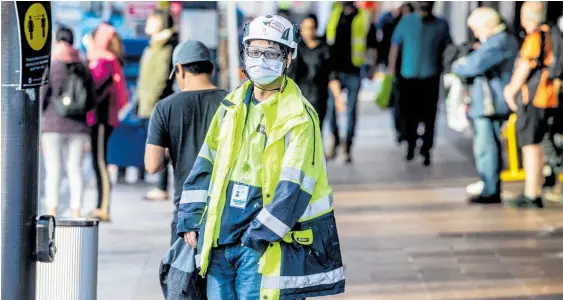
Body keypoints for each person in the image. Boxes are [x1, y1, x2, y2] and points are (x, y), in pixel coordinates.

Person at [177, 15, 345, 299]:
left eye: (271, 53)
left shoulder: (299, 117)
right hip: (219, 241)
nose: (261, 60)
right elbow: (205, 163)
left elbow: (295, 186)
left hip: (260, 246)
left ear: (288, 58)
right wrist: (191, 218)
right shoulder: (230, 106)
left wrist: (258, 236)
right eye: (254, 52)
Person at [145, 40, 227, 245]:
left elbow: (152, 165)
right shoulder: (232, 103)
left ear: (180, 70)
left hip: (187, 210)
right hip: (226, 209)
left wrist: (173, 152)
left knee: (182, 276)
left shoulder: (165, 108)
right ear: (211, 68)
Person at [452, 7, 519, 204]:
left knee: (486, 147)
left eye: (476, 28)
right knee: (487, 146)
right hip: (488, 101)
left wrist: (459, 64)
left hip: (490, 103)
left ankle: (490, 188)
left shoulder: (498, 42)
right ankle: (489, 184)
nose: (474, 33)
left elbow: (470, 66)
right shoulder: (499, 41)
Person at [503, 1, 561, 208]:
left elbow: (526, 66)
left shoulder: (536, 37)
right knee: (543, 142)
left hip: (535, 97)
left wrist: (511, 90)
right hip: (549, 97)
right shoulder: (553, 33)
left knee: (530, 144)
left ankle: (532, 193)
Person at [40, 27, 96, 217]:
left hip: (52, 127)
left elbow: (42, 97)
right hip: (78, 128)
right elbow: (91, 102)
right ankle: (76, 210)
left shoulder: (52, 65)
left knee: (53, 170)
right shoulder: (82, 67)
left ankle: (52, 209)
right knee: (75, 169)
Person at [388, 1, 452, 166]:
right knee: (409, 115)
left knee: (429, 116)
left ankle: (426, 148)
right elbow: (395, 47)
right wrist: (392, 73)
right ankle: (410, 145)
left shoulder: (442, 25)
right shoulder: (406, 22)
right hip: (408, 78)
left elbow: (448, 49)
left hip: (430, 77)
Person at [325, 1, 379, 163]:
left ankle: (347, 146)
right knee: (331, 108)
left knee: (351, 110)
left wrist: (373, 67)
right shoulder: (334, 13)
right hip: (334, 71)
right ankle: (335, 139)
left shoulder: (363, 16)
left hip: (354, 70)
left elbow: (373, 43)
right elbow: (327, 39)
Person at [86, 23, 128, 221]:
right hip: (103, 119)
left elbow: (94, 87)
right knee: (98, 161)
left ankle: (104, 206)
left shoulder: (103, 61)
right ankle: (100, 204)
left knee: (100, 162)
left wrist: (89, 50)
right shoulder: (108, 60)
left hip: (102, 120)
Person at [137, 9, 179, 201]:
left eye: (151, 20)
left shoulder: (166, 47)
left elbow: (161, 78)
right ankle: (160, 185)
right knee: (159, 145)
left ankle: (162, 187)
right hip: (149, 104)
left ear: (160, 23)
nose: (147, 23)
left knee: (163, 145)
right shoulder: (153, 46)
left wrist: (153, 101)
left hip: (159, 104)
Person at [289, 13, 342, 131]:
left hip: (318, 99)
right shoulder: (295, 49)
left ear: (316, 29)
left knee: (315, 132)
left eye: (311, 28)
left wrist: (338, 98)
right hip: (298, 99)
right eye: (305, 28)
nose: (308, 32)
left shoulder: (325, 49)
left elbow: (332, 76)